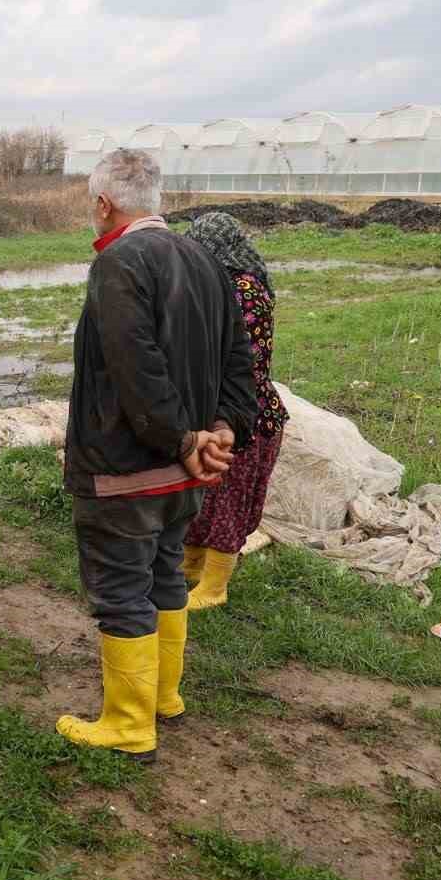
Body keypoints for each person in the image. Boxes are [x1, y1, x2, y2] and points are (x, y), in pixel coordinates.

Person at [57, 150, 259, 763]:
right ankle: (163, 697)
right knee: (166, 574)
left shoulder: (119, 262)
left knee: (122, 588)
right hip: (186, 471)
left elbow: (133, 368)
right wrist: (222, 429)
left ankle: (127, 723)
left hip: (129, 470)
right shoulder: (205, 258)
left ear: (103, 203)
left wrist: (182, 439)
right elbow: (239, 358)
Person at [182, 213, 289, 610]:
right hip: (215, 407)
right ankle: (191, 566)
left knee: (227, 497)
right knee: (203, 494)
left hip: (245, 415)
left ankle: (214, 586)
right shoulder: (217, 285)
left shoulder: (245, 290)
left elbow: (241, 362)